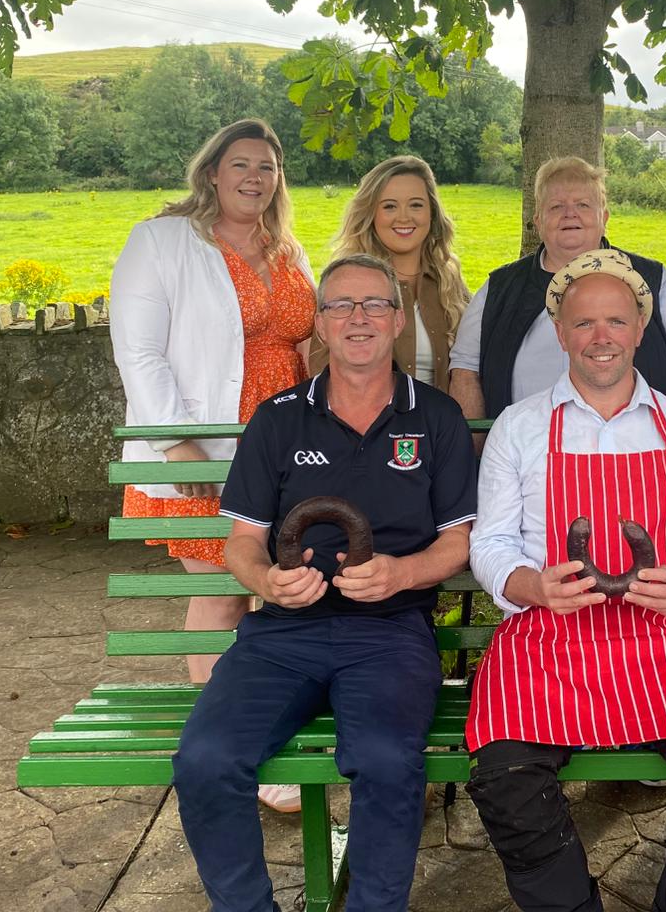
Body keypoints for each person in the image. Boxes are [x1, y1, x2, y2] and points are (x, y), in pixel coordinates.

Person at [466, 248, 666, 912]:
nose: (600, 337)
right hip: (551, 640)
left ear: (639, 329)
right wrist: (529, 586)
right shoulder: (520, 429)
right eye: (583, 323)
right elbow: (489, 543)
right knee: (505, 777)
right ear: (560, 332)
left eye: (615, 321)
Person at [171, 254, 477, 912]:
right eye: (340, 305)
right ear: (319, 325)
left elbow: (458, 541)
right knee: (204, 760)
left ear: (397, 321)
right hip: (283, 634)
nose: (358, 318)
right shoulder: (278, 418)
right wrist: (270, 583)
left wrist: (402, 572)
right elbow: (242, 547)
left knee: (390, 765)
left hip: (390, 634)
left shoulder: (439, 418)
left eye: (373, 305)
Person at [110, 118, 314, 676]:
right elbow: (137, 351)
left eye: (267, 167)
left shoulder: (288, 251)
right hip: (205, 447)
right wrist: (175, 441)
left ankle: (258, 710)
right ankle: (209, 723)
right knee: (225, 590)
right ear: (212, 174)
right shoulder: (162, 240)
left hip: (287, 446)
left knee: (271, 591)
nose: (255, 177)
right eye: (241, 165)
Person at [449, 156, 666, 433]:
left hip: (637, 447)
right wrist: (476, 444)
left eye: (583, 205)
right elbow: (465, 368)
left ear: (604, 217)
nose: (570, 214)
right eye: (557, 206)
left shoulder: (652, 279)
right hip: (526, 453)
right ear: (537, 220)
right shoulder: (499, 288)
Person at [310, 155, 469, 389]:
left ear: (432, 213)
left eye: (416, 204)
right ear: (372, 214)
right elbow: (322, 370)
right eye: (390, 206)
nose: (404, 217)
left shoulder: (450, 284)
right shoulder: (346, 284)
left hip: (440, 423)